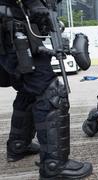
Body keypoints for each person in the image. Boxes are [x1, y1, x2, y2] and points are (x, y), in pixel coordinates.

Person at [0, 0, 92, 179]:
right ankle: (54, 165)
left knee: (29, 91)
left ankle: (18, 145)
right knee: (50, 93)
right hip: (14, 31)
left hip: (14, 29)